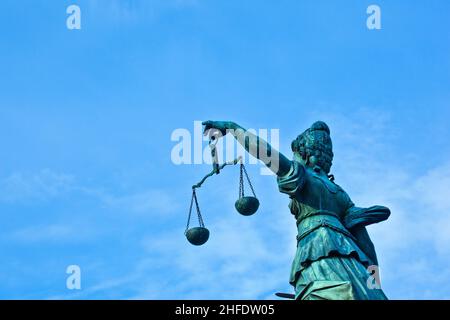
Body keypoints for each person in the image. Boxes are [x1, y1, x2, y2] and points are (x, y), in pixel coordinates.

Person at [203, 120, 390, 300]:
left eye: (295, 156)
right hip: (355, 264)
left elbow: (265, 152)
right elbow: (368, 247)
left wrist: (232, 127)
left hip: (316, 253)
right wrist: (374, 286)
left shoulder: (304, 178)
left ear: (305, 155)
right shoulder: (341, 194)